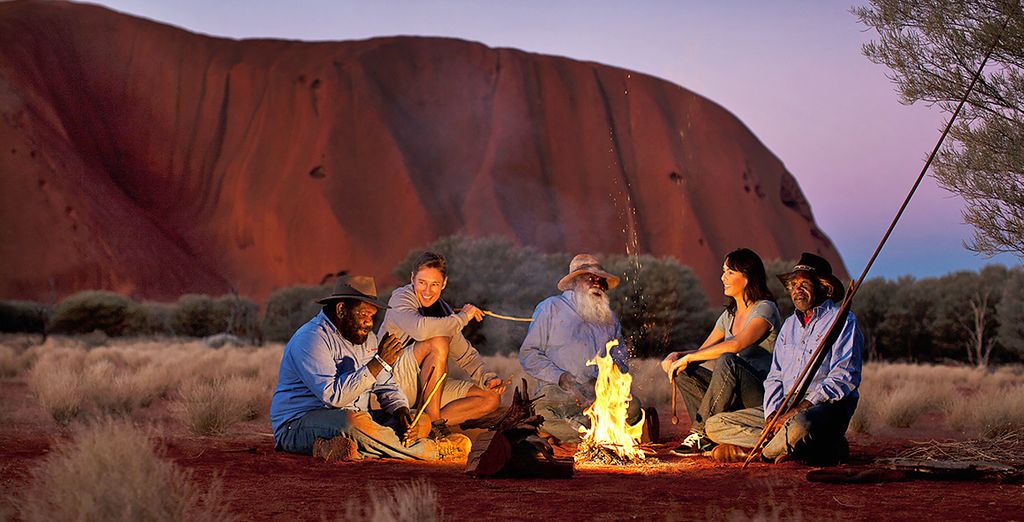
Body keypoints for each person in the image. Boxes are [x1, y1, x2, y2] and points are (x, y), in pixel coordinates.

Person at [270, 275, 471, 462]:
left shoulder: (367, 338)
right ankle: (432, 451)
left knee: (421, 421)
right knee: (352, 423)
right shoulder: (312, 338)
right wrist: (379, 362)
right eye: (363, 314)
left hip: (358, 417)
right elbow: (333, 397)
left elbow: (385, 385)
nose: (369, 322)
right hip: (298, 424)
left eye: (372, 316)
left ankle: (339, 448)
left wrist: (401, 411)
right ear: (341, 310)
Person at [704, 253, 863, 465]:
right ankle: (802, 448)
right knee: (715, 424)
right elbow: (775, 376)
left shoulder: (842, 321)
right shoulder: (789, 326)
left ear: (824, 287)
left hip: (823, 407)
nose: (797, 290)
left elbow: (844, 377)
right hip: (786, 405)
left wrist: (799, 409)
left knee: (800, 426)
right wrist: (772, 415)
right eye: (793, 285)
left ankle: (763, 452)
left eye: (804, 284)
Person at [661, 248, 782, 456]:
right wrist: (678, 356)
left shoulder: (765, 309)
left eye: (730, 272)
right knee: (684, 369)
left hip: (760, 395)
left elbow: (737, 344)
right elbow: (704, 351)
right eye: (723, 271)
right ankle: (707, 436)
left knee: (728, 360)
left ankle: (700, 434)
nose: (722, 277)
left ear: (747, 277)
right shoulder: (729, 315)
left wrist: (689, 357)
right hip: (733, 392)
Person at [378, 251, 505, 442]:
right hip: (393, 381)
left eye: (434, 284)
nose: (427, 290)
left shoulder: (442, 310)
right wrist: (463, 317)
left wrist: (487, 377)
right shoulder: (400, 298)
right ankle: (436, 422)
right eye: (422, 282)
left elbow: (465, 355)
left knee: (490, 399)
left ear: (444, 283)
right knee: (438, 341)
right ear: (412, 279)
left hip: (426, 389)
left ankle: (424, 426)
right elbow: (421, 329)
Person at [518, 253, 645, 442]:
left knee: (633, 407)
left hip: (596, 393)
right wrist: (560, 377)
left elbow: (620, 357)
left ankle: (577, 432)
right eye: (590, 279)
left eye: (601, 281)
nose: (597, 285)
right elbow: (529, 354)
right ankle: (596, 432)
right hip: (557, 392)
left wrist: (608, 376)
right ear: (574, 282)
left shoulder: (610, 318)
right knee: (542, 416)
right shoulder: (550, 307)